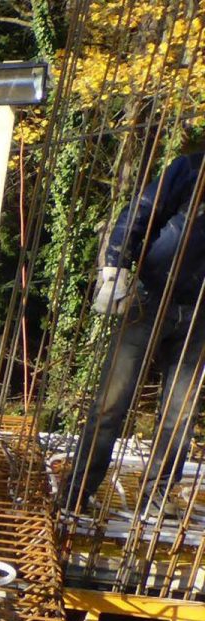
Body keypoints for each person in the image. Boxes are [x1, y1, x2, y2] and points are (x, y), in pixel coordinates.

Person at [66, 146, 205, 515]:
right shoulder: (192, 168)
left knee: (181, 413)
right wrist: (116, 265)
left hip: (199, 314)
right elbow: (143, 209)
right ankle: (77, 491)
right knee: (111, 402)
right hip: (151, 297)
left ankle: (158, 493)